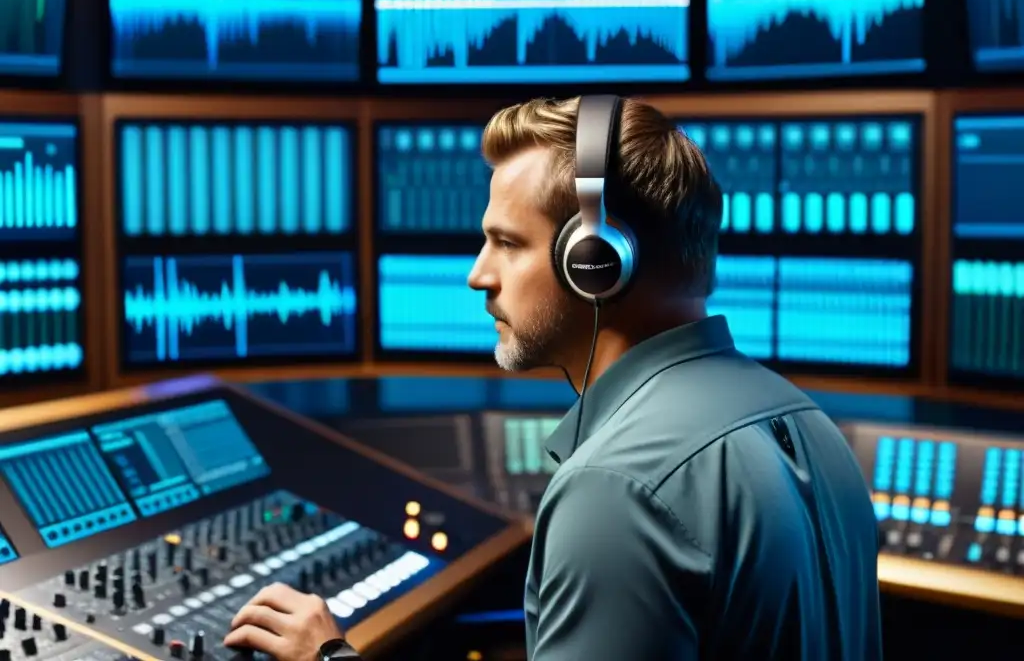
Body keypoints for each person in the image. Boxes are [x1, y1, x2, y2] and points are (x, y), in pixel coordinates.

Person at [224, 96, 883, 661]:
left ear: (595, 262)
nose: (478, 275)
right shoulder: (808, 425)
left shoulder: (617, 489)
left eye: (507, 243)